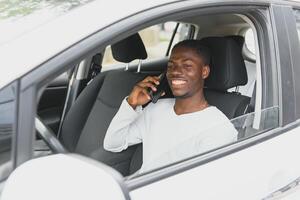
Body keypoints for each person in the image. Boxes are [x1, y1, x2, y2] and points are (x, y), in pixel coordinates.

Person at [103, 40, 237, 173]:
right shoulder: (156, 108)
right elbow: (113, 143)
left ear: (204, 72)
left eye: (187, 66)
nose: (175, 72)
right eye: (171, 66)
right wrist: (131, 103)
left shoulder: (218, 127)